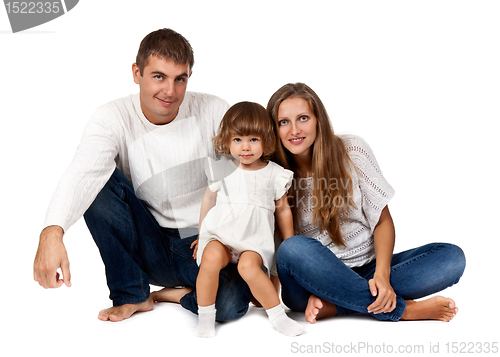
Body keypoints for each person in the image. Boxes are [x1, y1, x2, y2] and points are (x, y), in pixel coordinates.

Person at [33, 28, 252, 322]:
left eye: (180, 79)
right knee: (97, 181)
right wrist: (51, 232)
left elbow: (247, 176)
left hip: (203, 243)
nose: (170, 91)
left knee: (229, 304)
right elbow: (82, 173)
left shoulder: (214, 110)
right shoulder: (112, 116)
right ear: (137, 73)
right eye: (158, 76)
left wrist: (227, 238)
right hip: (147, 240)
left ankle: (167, 294)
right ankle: (132, 294)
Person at [266, 82, 466, 324]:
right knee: (293, 248)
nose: (294, 130)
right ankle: (402, 311)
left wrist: (382, 274)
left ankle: (338, 305)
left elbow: (382, 220)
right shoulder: (272, 174)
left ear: (318, 119)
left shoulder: (352, 150)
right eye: (283, 122)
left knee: (452, 258)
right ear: (274, 129)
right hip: (311, 283)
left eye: (303, 118)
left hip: (369, 267)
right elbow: (279, 248)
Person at [191, 102, 304, 337]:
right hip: (221, 238)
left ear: (266, 140)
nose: (245, 147)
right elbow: (208, 201)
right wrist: (202, 234)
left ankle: (278, 317)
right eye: (238, 140)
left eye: (253, 140)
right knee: (210, 258)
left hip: (253, 242)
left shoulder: (274, 173)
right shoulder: (221, 169)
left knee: (248, 266)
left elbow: (283, 210)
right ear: (227, 140)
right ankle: (205, 318)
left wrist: (289, 242)